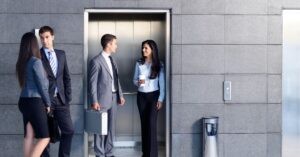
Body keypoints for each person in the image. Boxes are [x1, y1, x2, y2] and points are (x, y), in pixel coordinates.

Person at [39, 26, 74, 157]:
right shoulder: (37, 55)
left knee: (69, 131)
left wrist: (68, 96)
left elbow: (66, 77)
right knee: (45, 135)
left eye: (47, 37)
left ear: (52, 37)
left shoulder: (61, 54)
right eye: (42, 38)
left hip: (61, 100)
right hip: (45, 101)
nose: (44, 41)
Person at [88, 34, 126, 157]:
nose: (116, 46)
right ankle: (99, 153)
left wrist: (120, 95)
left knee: (111, 128)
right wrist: (94, 101)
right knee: (100, 128)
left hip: (114, 98)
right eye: (115, 43)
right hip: (101, 100)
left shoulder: (112, 60)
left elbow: (116, 79)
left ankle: (109, 153)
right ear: (108, 44)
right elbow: (92, 83)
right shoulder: (96, 61)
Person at [16, 32, 51, 157]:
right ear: (34, 45)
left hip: (23, 101)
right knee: (45, 138)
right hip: (34, 102)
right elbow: (42, 85)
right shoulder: (36, 61)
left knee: (29, 136)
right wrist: (48, 103)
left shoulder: (22, 62)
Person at [133, 40, 165, 157]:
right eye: (143, 48)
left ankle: (152, 154)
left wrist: (161, 99)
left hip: (154, 96)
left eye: (146, 48)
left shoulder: (159, 64)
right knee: (144, 124)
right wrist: (138, 82)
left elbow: (162, 83)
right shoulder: (139, 63)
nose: (143, 50)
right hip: (141, 96)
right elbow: (134, 80)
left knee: (151, 124)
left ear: (152, 49)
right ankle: (145, 153)